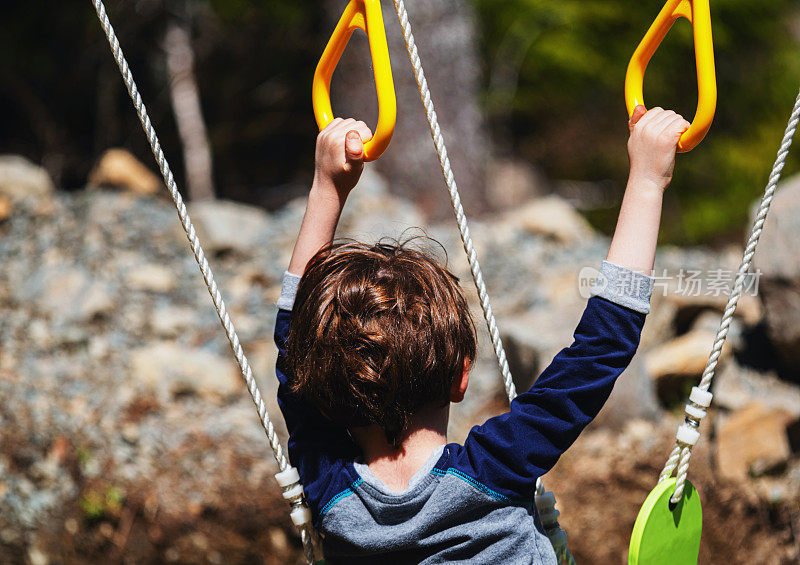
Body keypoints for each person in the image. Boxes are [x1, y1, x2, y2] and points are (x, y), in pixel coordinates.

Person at [274, 107, 689, 563]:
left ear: (320, 383)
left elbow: (293, 347)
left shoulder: (331, 495)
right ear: (460, 378)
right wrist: (647, 182)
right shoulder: (494, 469)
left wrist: (325, 189)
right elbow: (601, 347)